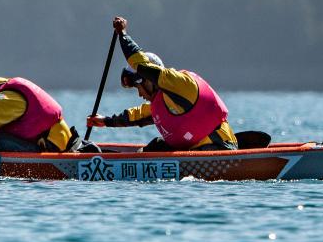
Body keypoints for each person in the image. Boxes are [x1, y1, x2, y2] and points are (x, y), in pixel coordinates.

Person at [86, 16, 238, 151]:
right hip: (192, 152)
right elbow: (136, 115)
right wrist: (105, 121)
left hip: (220, 147)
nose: (139, 94)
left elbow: (141, 64)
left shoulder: (181, 84)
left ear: (148, 79)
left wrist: (123, 34)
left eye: (139, 87)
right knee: (154, 147)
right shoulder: (161, 103)